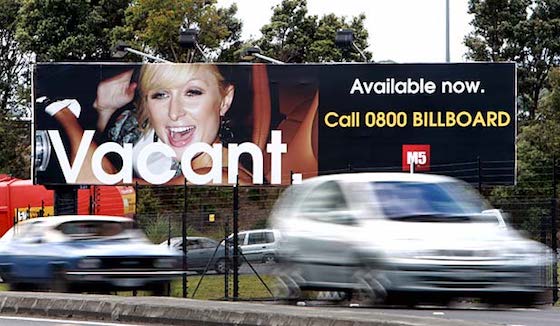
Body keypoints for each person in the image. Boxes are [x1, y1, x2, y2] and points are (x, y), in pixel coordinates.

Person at [44, 64, 253, 185]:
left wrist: (64, 114)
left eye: (192, 93)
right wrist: (104, 108)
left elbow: (101, 184)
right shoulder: (205, 166)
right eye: (160, 95)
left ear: (225, 100)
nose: (174, 113)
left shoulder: (221, 178)